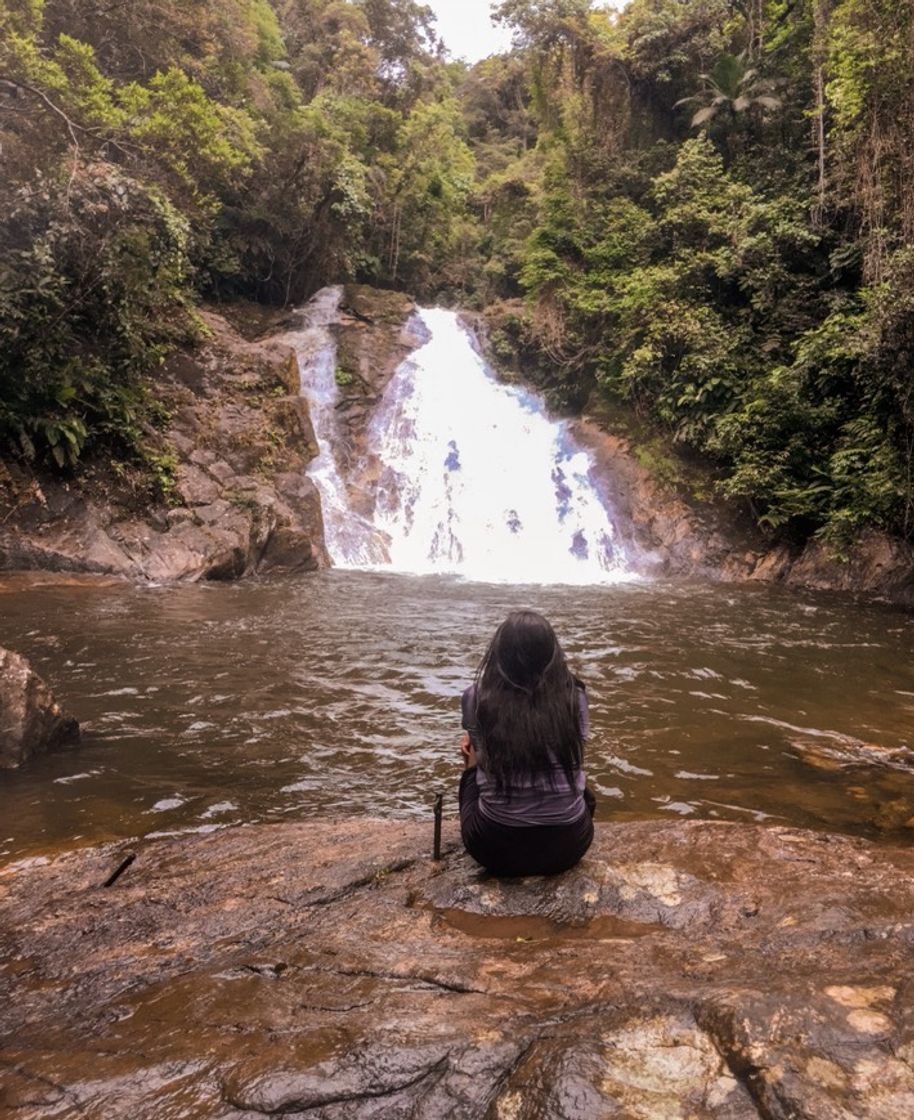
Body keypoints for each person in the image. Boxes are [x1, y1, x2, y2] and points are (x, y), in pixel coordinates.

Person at [458, 609, 595, 876]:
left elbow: (481, 756)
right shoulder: (574, 696)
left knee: (471, 762)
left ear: (498, 653)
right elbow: (576, 752)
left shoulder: (475, 697)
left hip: (493, 847)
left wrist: (472, 754)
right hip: (569, 846)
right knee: (581, 785)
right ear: (551, 653)